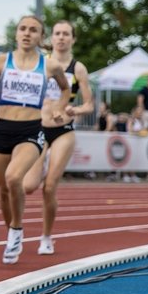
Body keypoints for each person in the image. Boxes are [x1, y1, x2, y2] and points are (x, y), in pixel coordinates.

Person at [0, 15, 69, 265]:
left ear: (40, 37)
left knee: (14, 178)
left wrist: (59, 108)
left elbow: (66, 89)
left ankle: (18, 228)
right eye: (23, 29)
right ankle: (12, 230)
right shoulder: (2, 60)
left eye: (33, 30)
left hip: (30, 131)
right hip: (2, 129)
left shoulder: (50, 65)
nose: (27, 33)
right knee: (2, 189)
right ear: (16, 34)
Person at [22, 20, 94, 255]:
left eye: (66, 34)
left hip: (63, 130)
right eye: (57, 34)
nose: (61, 37)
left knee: (50, 186)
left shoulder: (78, 68)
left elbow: (89, 105)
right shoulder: (41, 63)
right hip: (38, 127)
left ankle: (46, 237)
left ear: (73, 39)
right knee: (29, 186)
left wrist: (76, 110)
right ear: (50, 38)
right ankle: (41, 164)